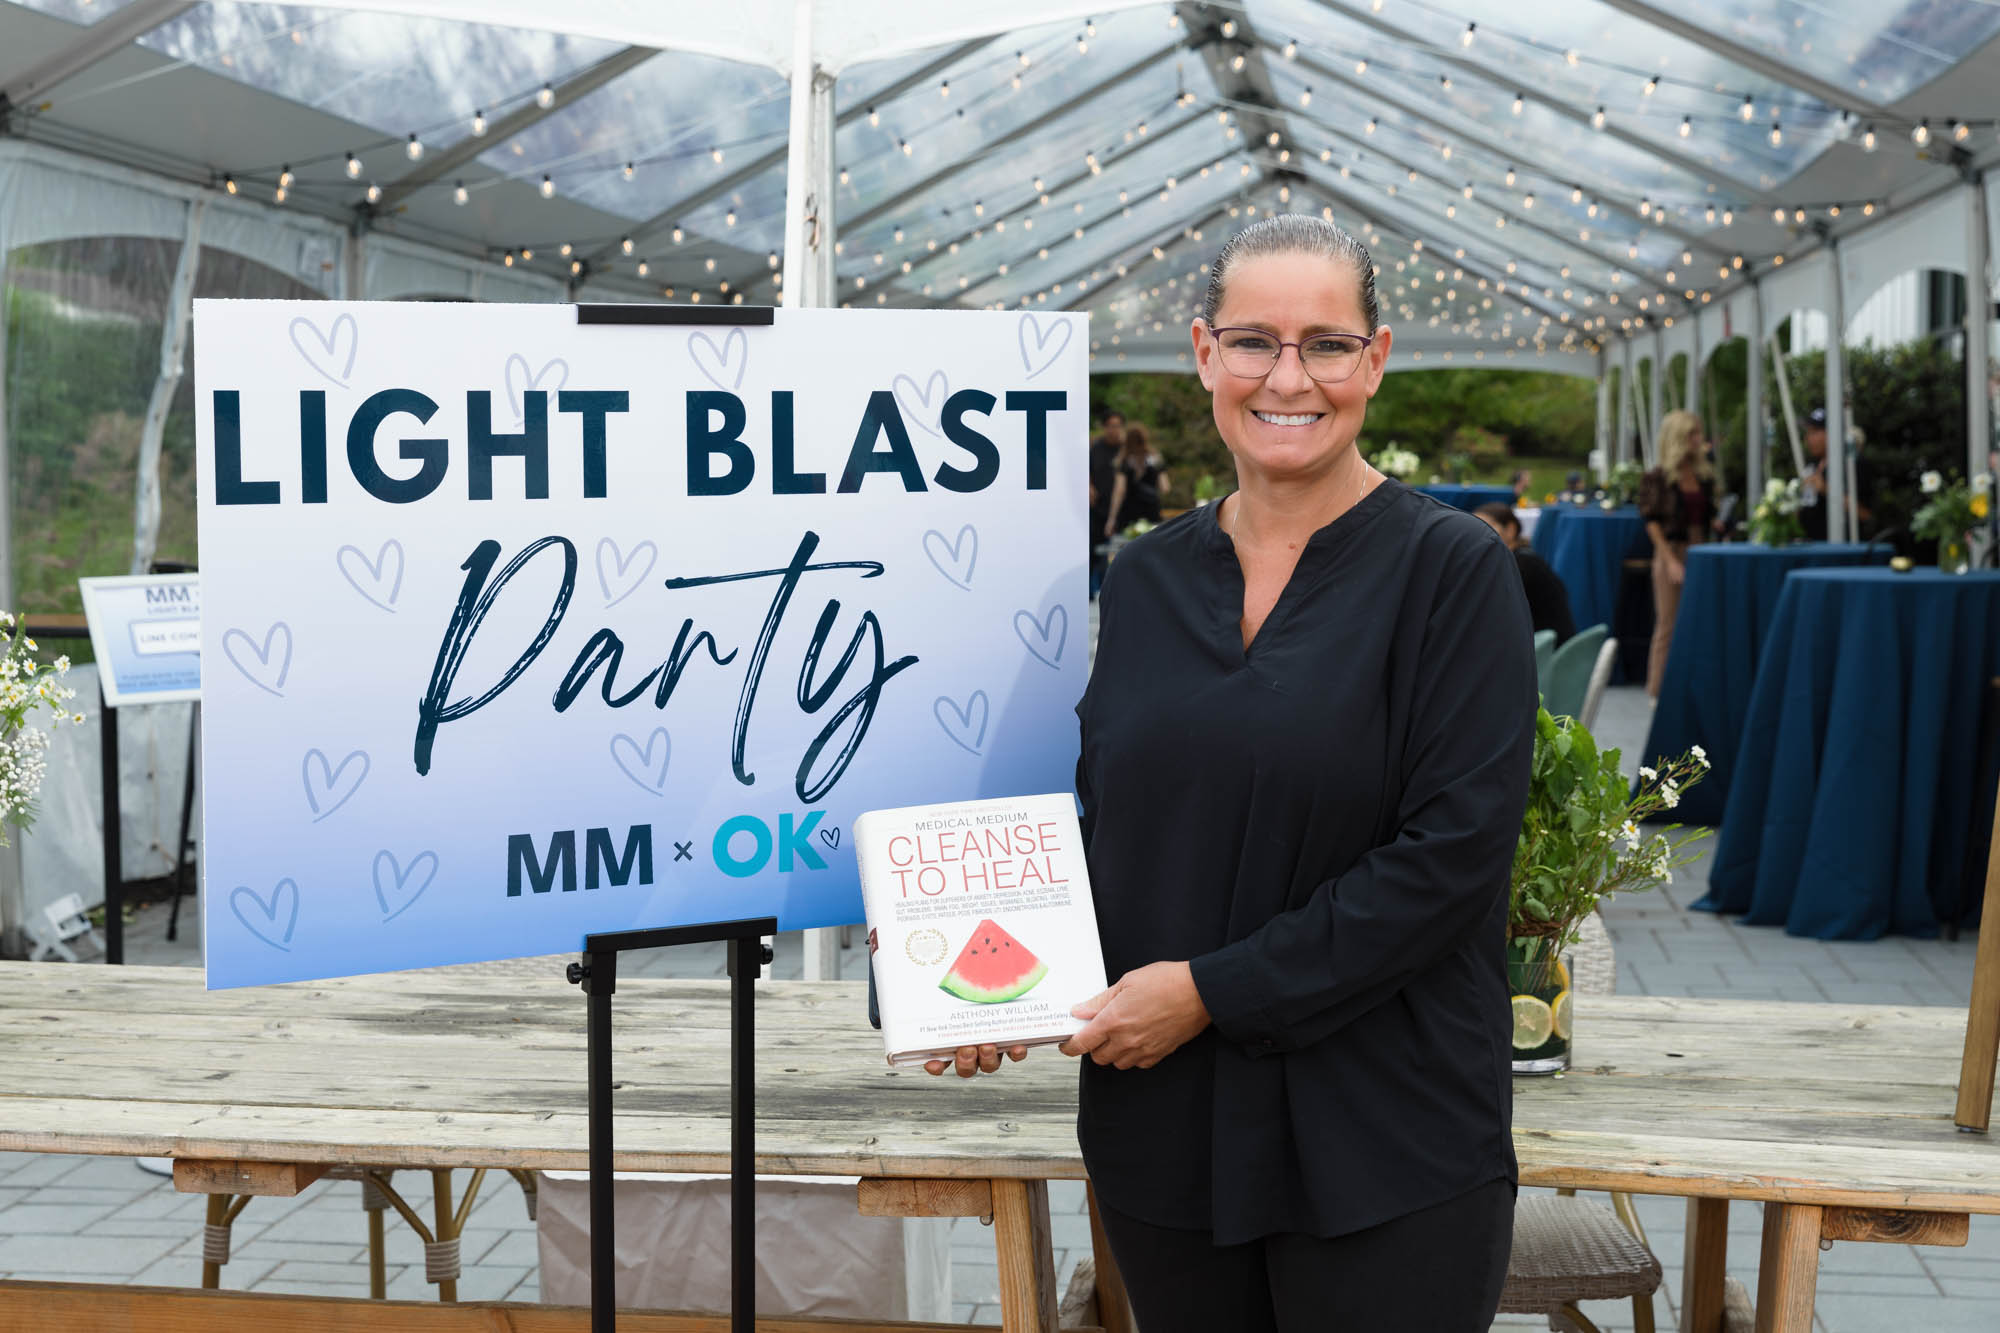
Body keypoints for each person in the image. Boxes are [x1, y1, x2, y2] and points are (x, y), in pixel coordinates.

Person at [925, 215, 1534, 1331]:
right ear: (1204, 355)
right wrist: (964, 971)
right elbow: (1108, 822)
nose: (1287, 378)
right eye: (1253, 341)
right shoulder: (1144, 576)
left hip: (1384, 1135)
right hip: (1166, 1133)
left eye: (1326, 345)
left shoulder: (1451, 572)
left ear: (1375, 360)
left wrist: (1210, 992)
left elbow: (1449, 861)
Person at [1637, 409, 1717, 698]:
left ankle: (1693, 687)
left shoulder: (1703, 474)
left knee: (1701, 620)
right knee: (1668, 623)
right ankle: (1657, 690)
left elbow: (1707, 515)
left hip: (1702, 548)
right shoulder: (1658, 477)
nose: (1698, 439)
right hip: (1671, 549)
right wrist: (1669, 560)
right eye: (1692, 433)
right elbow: (1652, 522)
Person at [1473, 502, 1576, 644]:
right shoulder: (1524, 558)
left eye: (1485, 527)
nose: (1477, 535)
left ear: (1510, 529)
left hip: (1546, 648)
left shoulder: (1522, 566)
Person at [1088, 412, 1125, 597]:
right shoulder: (1095, 449)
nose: (1114, 430)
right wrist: (1089, 486)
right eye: (1111, 426)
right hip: (1098, 506)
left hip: (1123, 510)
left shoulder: (1125, 449)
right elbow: (1085, 469)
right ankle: (1089, 590)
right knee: (1093, 550)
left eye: (1117, 426)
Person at [1112, 425, 1170, 531]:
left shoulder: (1124, 460)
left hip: (1129, 513)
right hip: (1151, 511)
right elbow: (1165, 487)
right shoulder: (1155, 458)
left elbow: (1120, 490)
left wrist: (1112, 518)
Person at [1799, 406, 1829, 542]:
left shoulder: (1851, 465)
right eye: (1807, 433)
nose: (1808, 438)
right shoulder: (1811, 465)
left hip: (1837, 549)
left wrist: (1825, 490)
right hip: (1809, 546)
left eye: (1814, 432)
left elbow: (1867, 516)